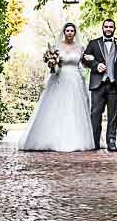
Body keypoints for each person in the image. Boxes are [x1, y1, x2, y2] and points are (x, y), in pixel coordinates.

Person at [18, 22, 94, 152]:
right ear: (64, 32)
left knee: (74, 108)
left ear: (75, 33)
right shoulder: (56, 47)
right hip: (60, 78)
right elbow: (53, 66)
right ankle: (51, 138)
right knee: (57, 106)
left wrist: (91, 60)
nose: (69, 33)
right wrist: (52, 63)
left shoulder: (80, 48)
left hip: (75, 80)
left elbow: (85, 63)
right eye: (67, 30)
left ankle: (75, 139)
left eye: (72, 31)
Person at [81, 18, 117, 152]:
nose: (108, 29)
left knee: (113, 115)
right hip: (98, 84)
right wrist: (96, 65)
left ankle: (111, 141)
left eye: (111, 27)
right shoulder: (93, 43)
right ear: (102, 28)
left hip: (115, 85)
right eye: (106, 27)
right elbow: (84, 59)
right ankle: (94, 141)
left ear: (114, 29)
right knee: (95, 114)